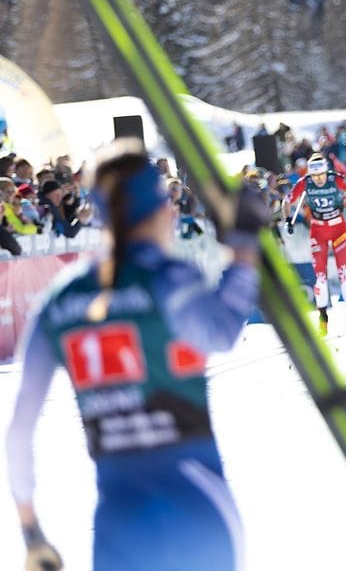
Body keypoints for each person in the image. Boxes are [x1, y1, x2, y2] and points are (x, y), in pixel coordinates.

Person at [5, 138, 267, 571]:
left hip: (118, 527)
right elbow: (221, 330)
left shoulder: (60, 300)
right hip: (198, 511)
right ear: (160, 210)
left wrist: (32, 534)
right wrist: (242, 249)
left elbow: (19, 431)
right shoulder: (168, 278)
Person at [283, 152, 346, 336]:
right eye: (315, 176)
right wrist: (288, 219)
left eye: (321, 175)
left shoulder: (336, 179)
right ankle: (323, 318)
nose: (319, 180)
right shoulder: (305, 182)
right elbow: (287, 201)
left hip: (338, 229)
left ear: (326, 172)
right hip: (318, 231)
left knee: (343, 273)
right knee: (320, 277)